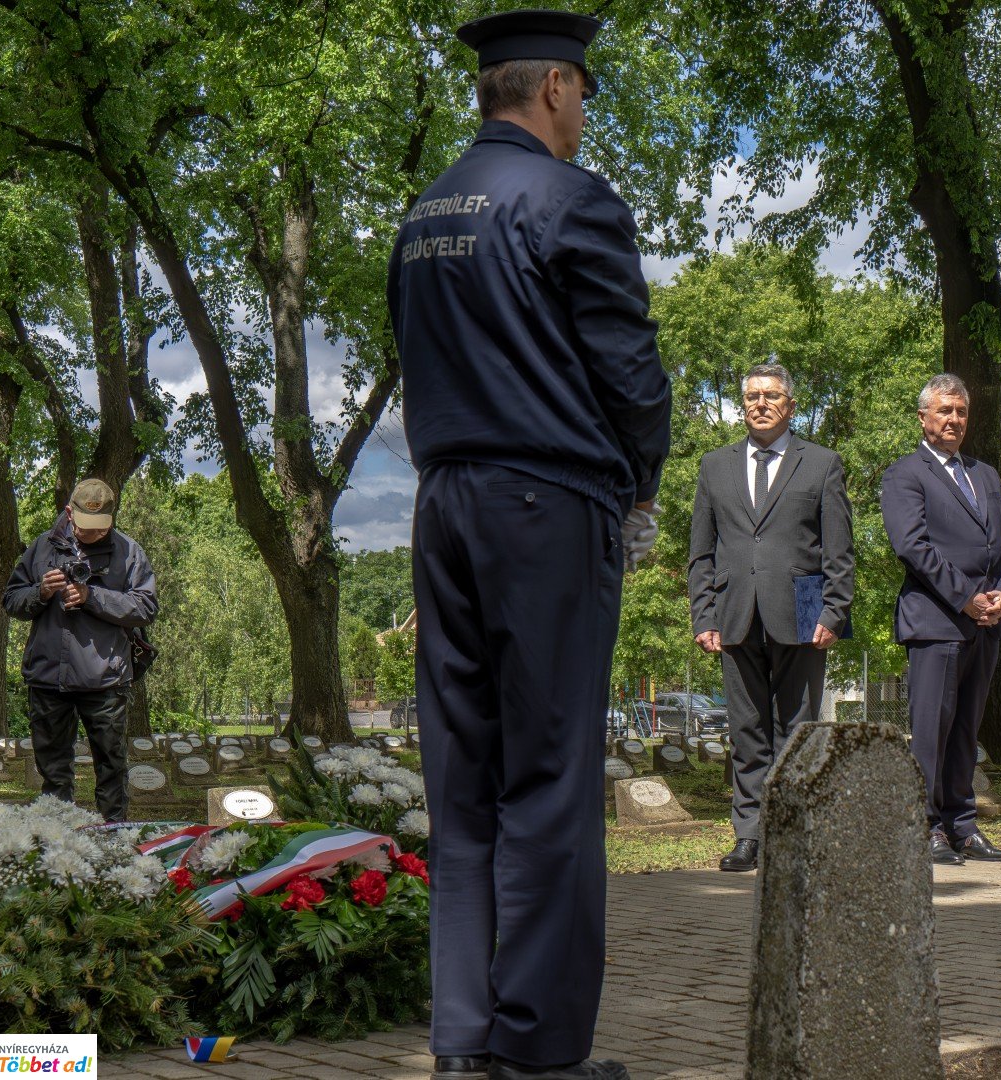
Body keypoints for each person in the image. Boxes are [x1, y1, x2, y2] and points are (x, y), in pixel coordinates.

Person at [387, 11, 672, 1080]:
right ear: (554, 86)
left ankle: (463, 1039)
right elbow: (632, 379)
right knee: (550, 779)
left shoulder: (422, 215)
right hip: (545, 503)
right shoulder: (570, 199)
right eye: (585, 92)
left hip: (443, 499)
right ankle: (539, 1054)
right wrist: (636, 488)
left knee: (461, 781)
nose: (585, 112)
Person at [688, 364, 854, 873]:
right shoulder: (714, 466)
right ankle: (749, 835)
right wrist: (703, 615)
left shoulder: (822, 464)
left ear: (791, 405)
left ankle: (792, 834)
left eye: (772, 396)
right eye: (753, 396)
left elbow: (839, 550)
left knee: (797, 729)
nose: (761, 404)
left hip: (803, 616)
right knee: (747, 731)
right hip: (734, 615)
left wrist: (834, 609)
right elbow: (701, 553)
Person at [880, 374, 1001, 866]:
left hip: (986, 623)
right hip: (936, 620)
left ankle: (963, 826)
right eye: (944, 411)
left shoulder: (984, 473)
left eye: (961, 412)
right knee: (931, 730)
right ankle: (925, 826)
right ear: (923, 418)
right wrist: (967, 598)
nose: (954, 420)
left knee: (967, 729)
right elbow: (912, 546)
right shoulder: (906, 473)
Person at [2, 478, 157, 823]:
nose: (97, 534)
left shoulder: (129, 552)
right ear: (70, 513)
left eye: (103, 527)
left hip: (105, 681)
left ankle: (115, 839)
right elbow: (11, 600)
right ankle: (60, 844)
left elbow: (146, 608)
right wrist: (40, 593)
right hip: (48, 678)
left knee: (112, 768)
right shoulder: (42, 548)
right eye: (88, 528)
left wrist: (93, 597)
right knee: (54, 775)